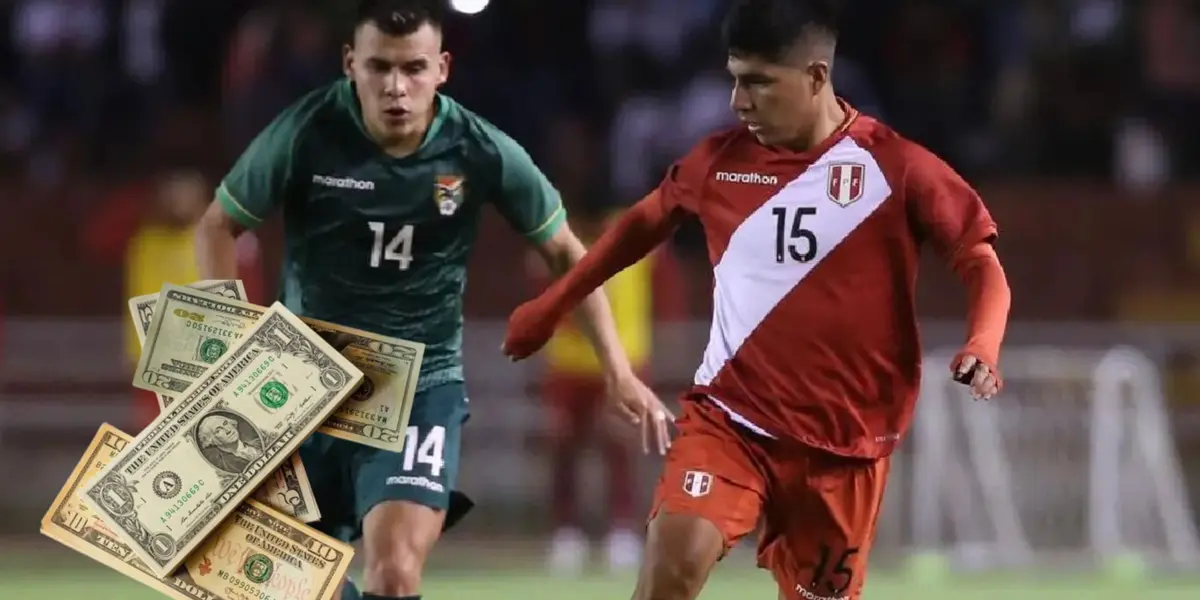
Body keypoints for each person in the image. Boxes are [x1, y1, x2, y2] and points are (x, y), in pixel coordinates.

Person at [502, 1, 1012, 599]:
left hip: (843, 449)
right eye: (734, 79)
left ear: (817, 77)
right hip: (731, 421)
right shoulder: (718, 162)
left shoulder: (896, 167)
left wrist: (984, 343)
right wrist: (552, 304)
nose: (738, 101)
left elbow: (981, 262)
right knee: (670, 570)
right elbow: (638, 227)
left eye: (758, 83)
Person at [193, 2, 672, 600]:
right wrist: (231, 344)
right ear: (351, 65)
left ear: (442, 68)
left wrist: (619, 372)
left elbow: (570, 257)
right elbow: (216, 227)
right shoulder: (306, 131)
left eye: (414, 68)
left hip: (419, 385)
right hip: (307, 377)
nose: (397, 86)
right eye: (380, 67)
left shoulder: (478, 148)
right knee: (275, 577)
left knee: (394, 574)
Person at [532, 207, 655, 574]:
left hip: (626, 361)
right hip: (568, 365)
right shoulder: (559, 242)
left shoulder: (639, 239)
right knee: (564, 445)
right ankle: (566, 532)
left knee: (620, 445)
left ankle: (622, 530)